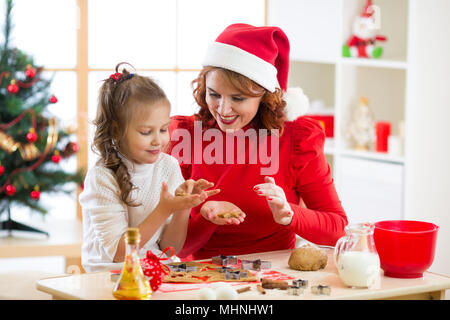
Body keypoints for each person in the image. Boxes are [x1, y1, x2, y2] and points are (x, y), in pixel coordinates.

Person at [167, 24, 348, 260]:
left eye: (238, 98)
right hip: (201, 276)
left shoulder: (295, 139)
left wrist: (290, 214)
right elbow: (170, 249)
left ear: (264, 95)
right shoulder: (185, 135)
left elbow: (339, 229)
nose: (222, 109)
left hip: (275, 276)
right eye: (214, 94)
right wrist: (206, 219)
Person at [79, 63, 219, 272]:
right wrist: (165, 209)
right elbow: (119, 253)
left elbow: (170, 249)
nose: (158, 140)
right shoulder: (102, 176)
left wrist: (183, 207)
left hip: (156, 271)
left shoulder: (168, 166)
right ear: (117, 130)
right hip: (109, 276)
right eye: (146, 132)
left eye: (163, 129)